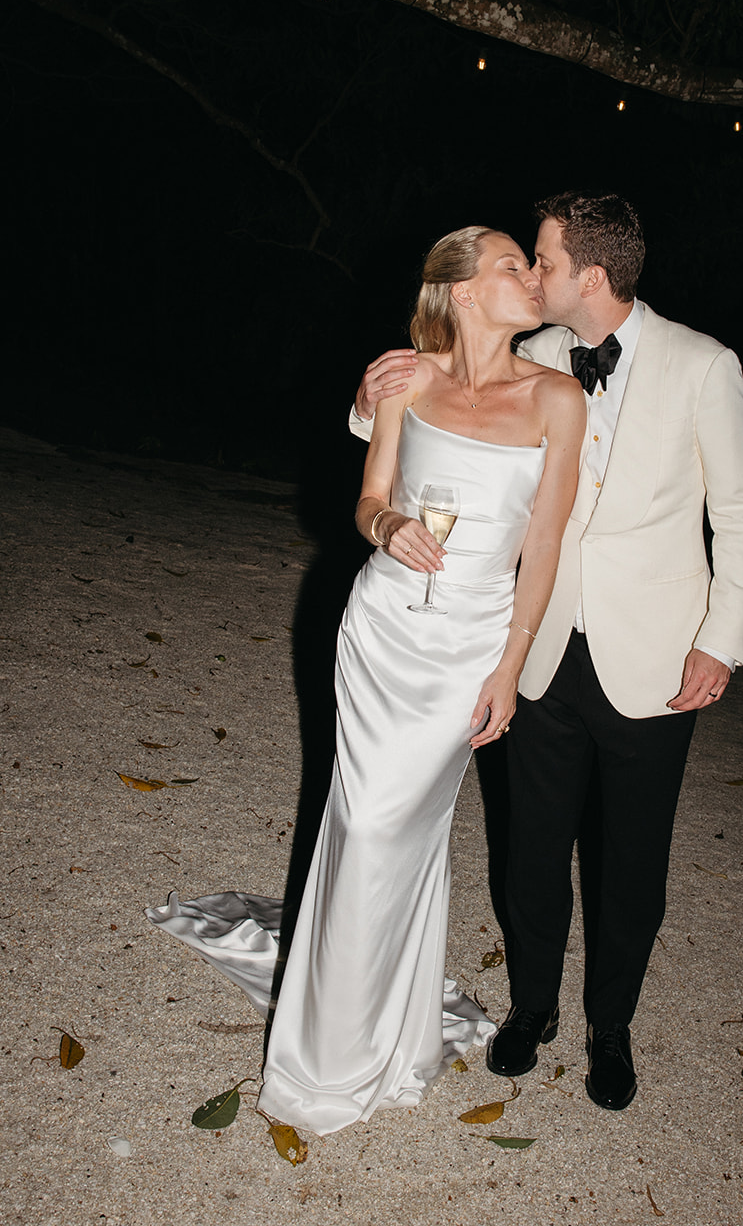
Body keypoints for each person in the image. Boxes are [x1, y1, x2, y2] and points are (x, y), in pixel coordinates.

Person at [149, 226, 584, 1137]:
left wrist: (512, 663)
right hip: (381, 628)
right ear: (463, 291)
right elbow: (367, 494)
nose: (532, 278)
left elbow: (543, 544)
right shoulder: (408, 379)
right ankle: (335, 1050)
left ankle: (358, 1038)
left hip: (469, 643)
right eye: (513, 265)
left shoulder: (556, 396)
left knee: (395, 828)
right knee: (362, 819)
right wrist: (387, 529)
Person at [352, 192, 743, 1112]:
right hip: (531, 643)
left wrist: (721, 643)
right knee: (530, 846)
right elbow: (422, 422)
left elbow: (740, 513)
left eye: (539, 260)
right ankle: (531, 1008)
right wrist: (366, 394)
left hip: (657, 657)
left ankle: (609, 1027)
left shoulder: (704, 364)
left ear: (588, 274)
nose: (531, 277)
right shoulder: (531, 353)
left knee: (632, 861)